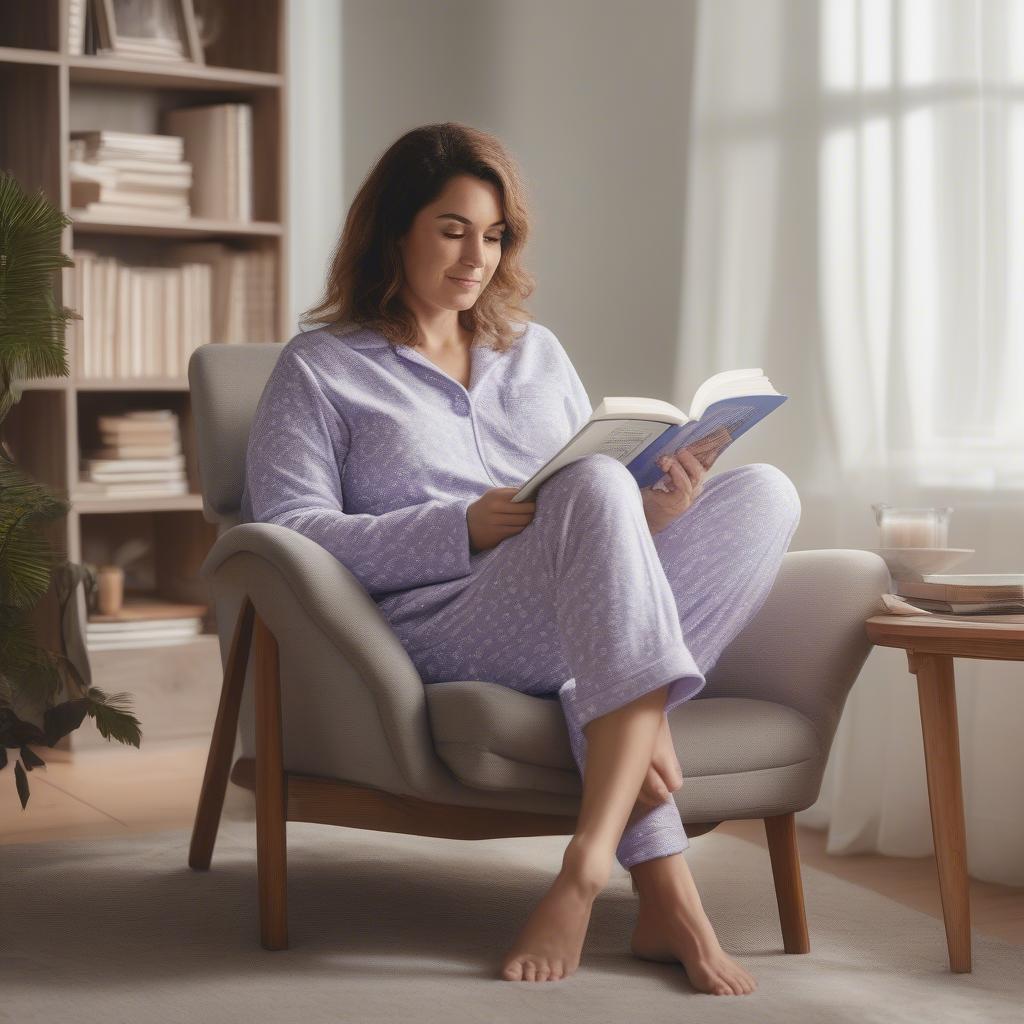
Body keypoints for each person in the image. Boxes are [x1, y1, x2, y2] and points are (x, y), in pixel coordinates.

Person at [241, 122, 800, 996]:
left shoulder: (534, 352)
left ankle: (611, 704)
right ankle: (606, 875)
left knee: (765, 493)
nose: (478, 257)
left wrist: (656, 508)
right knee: (594, 496)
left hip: (577, 612)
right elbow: (285, 533)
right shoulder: (319, 370)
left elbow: (596, 512)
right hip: (441, 621)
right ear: (394, 230)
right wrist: (459, 525)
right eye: (454, 228)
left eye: (495, 235)